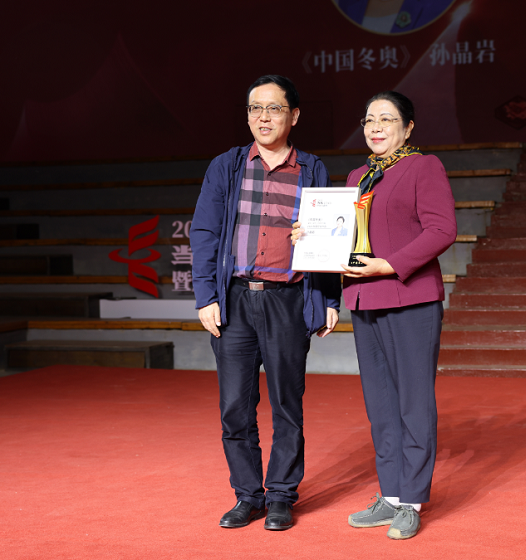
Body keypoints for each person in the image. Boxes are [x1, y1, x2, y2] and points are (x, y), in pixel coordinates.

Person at [295, 91, 456, 539]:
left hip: (410, 297)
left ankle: (413, 500)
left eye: (386, 118)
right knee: (380, 404)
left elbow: (442, 229)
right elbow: (344, 237)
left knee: (413, 402)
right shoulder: (358, 176)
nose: (376, 127)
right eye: (369, 119)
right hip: (365, 298)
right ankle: (391, 493)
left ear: (408, 126)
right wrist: (308, 236)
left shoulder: (424, 166)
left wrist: (389, 264)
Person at [190, 75, 341, 532]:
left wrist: (329, 297)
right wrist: (206, 296)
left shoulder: (312, 169)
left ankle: (280, 496)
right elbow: (205, 232)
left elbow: (330, 237)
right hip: (235, 300)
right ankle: (247, 495)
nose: (263, 117)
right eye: (255, 108)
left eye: (274, 108)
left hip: (287, 300)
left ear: (294, 115)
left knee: (287, 406)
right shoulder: (228, 165)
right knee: (235, 407)